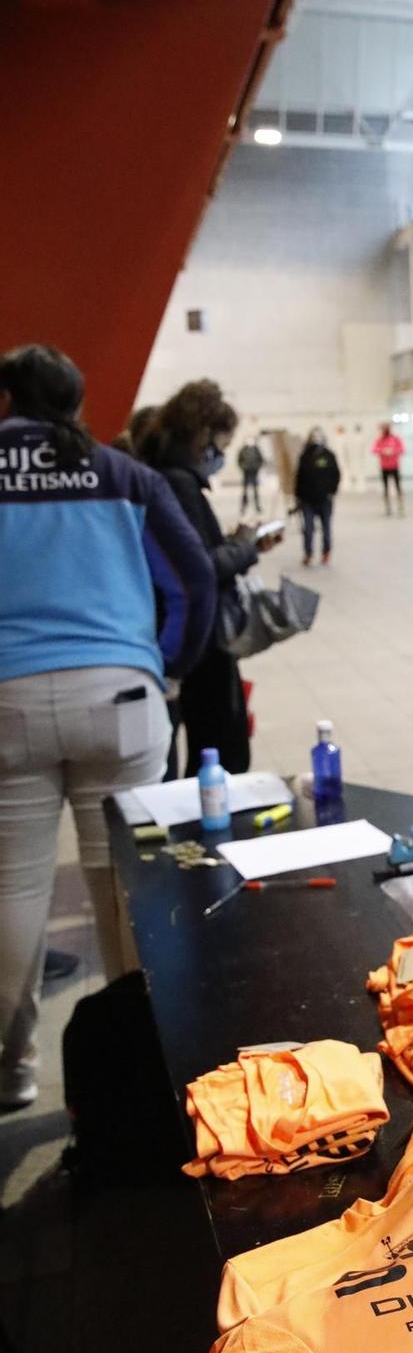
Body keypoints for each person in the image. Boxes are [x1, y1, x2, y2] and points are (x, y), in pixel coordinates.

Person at [0, 344, 215, 1108]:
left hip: (7, 702)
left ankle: (11, 1067)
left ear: (8, 401)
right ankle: (143, 1060)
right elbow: (193, 578)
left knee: (13, 891)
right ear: (78, 402)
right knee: (124, 881)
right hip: (119, 697)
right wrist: (164, 664)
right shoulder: (123, 476)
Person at [144, 379, 282, 775]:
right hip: (200, 639)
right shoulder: (177, 482)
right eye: (220, 446)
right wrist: (247, 547)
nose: (220, 456)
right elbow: (200, 568)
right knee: (222, 745)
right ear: (202, 434)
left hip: (185, 633)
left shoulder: (164, 475)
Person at [294, 428, 341, 565]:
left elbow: (336, 475)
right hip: (307, 500)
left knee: (326, 528)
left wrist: (331, 491)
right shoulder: (305, 456)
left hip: (324, 500)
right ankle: (308, 553)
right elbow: (299, 477)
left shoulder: (329, 456)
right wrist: (298, 496)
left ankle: (326, 552)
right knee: (308, 529)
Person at [373, 421, 405, 514]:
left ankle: (400, 505)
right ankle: (388, 506)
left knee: (398, 486)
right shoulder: (380, 440)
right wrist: (383, 451)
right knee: (386, 487)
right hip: (384, 466)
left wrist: (393, 451)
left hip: (394, 465)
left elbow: (401, 449)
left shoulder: (395, 439)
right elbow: (374, 449)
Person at [237, 435, 264, 515]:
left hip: (254, 472)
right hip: (246, 472)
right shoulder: (243, 450)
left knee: (255, 491)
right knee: (245, 491)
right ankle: (243, 507)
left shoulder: (256, 449)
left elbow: (261, 459)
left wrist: (257, 467)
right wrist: (243, 467)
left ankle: (257, 506)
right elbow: (239, 460)